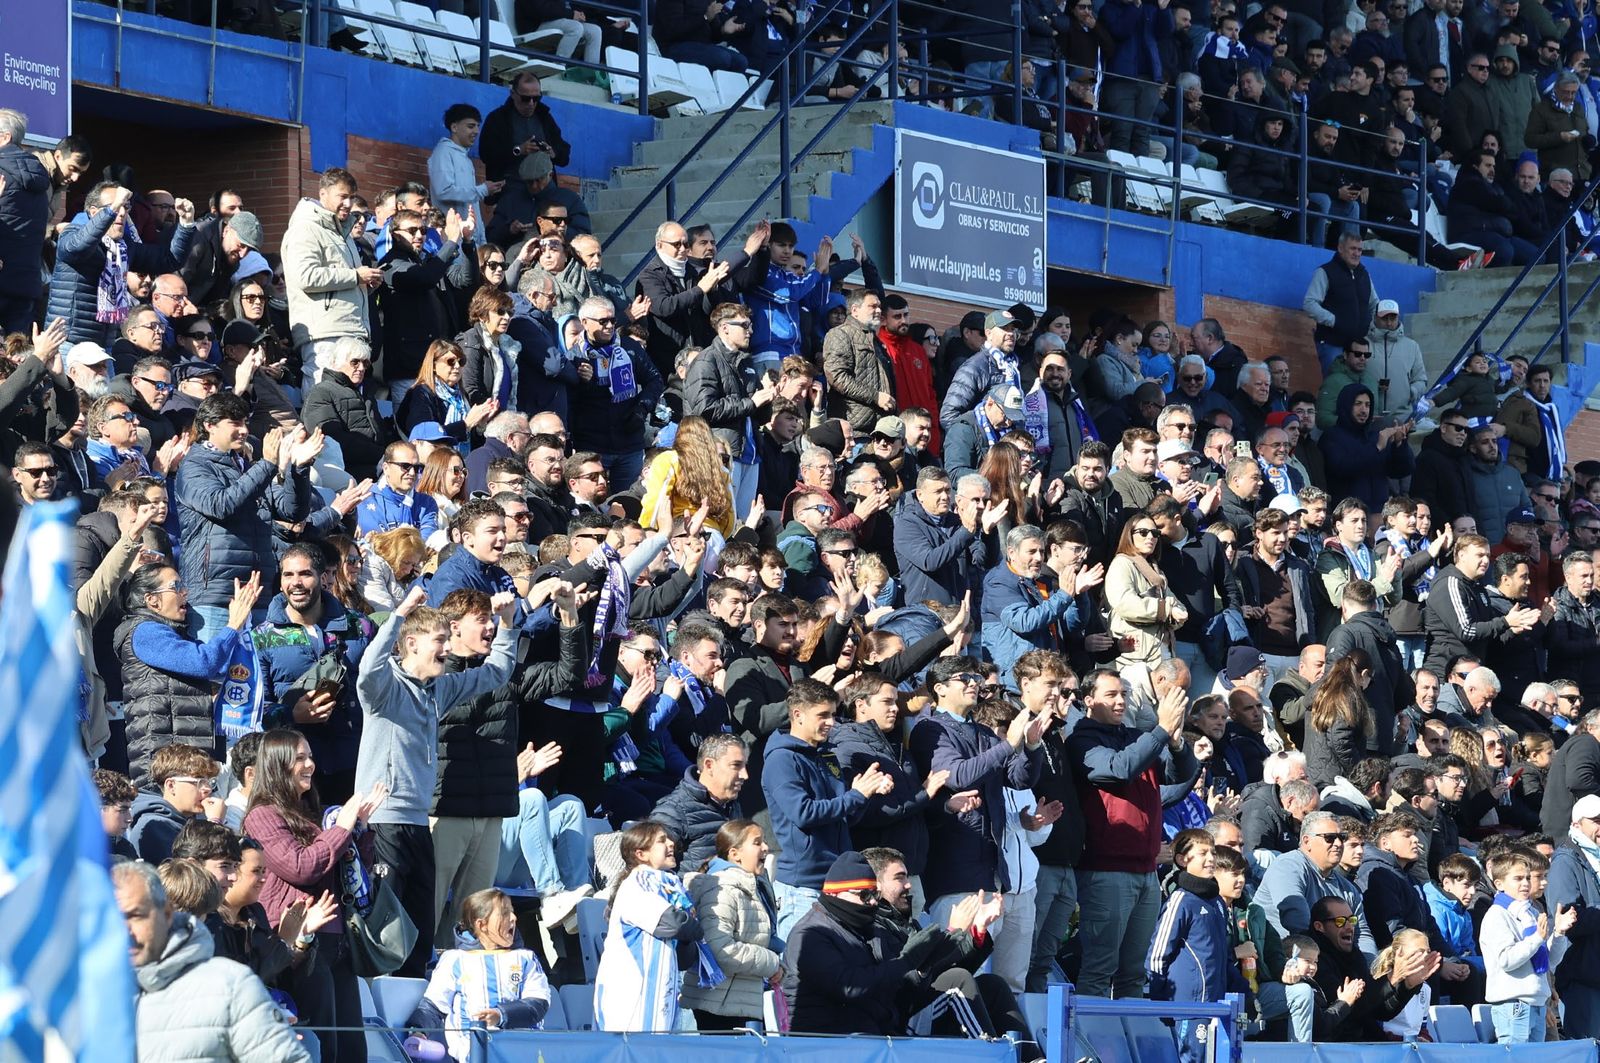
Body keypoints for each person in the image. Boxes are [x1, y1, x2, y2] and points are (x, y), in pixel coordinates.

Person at [352, 584, 518, 978]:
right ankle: (381, 1007)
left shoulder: (436, 690)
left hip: (417, 821)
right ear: (410, 643)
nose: (447, 648)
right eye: (439, 640)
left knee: (421, 923)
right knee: (386, 924)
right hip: (385, 820)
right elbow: (367, 669)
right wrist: (399, 613)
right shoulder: (385, 689)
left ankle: (415, 1008)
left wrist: (508, 625)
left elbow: (495, 672)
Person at [243, 728, 388, 1063]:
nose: (310, 764)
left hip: (336, 937)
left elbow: (349, 870)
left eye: (310, 756)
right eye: (299, 758)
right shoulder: (262, 816)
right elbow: (300, 867)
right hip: (300, 942)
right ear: (277, 764)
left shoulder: (309, 813)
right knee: (322, 1046)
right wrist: (341, 829)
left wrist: (360, 829)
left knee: (351, 1048)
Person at [1069, 668, 1199, 997]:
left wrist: (1176, 740)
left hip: (1146, 871)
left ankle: (1124, 1043)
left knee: (1133, 972)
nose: (1120, 701)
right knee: (1100, 968)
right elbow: (1118, 769)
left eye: (1123, 694)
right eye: (1110, 695)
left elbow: (1178, 774)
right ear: (1088, 700)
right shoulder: (1082, 740)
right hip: (1106, 870)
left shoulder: (1132, 736)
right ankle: (1089, 1044)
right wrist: (1158, 731)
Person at [113, 860, 313, 1063]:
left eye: (136, 915)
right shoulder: (91, 991)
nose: (124, 928)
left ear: (166, 914)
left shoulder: (230, 984)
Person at [176, 394, 319, 641]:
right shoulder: (195, 465)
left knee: (259, 677)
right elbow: (221, 505)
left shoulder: (246, 467)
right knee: (216, 675)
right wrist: (267, 464)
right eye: (235, 423)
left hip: (257, 594)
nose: (243, 430)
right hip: (216, 597)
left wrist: (298, 469)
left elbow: (292, 511)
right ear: (210, 425)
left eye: (245, 422)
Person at [763, 677, 889, 944]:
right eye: (822, 715)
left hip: (835, 884)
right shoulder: (781, 759)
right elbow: (803, 813)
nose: (831, 722)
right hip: (803, 887)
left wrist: (866, 793)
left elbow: (845, 816)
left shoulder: (827, 756)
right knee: (799, 975)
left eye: (832, 714)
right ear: (797, 714)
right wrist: (856, 795)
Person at [405, 887, 552, 1062]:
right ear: (481, 925)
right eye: (505, 913)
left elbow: (538, 1004)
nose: (514, 918)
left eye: (512, 911)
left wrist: (501, 1015)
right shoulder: (455, 960)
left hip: (525, 1055)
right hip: (472, 1056)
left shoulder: (526, 958)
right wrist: (419, 1031)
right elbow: (433, 1006)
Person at [49, 181, 197, 346]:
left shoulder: (123, 246)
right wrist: (111, 211)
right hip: (68, 341)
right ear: (93, 212)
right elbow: (78, 249)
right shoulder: (72, 233)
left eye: (125, 207)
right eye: (114, 206)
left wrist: (186, 224)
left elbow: (169, 259)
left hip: (104, 344)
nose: (121, 213)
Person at [594, 820, 706, 1031]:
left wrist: (690, 933)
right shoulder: (636, 885)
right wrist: (694, 927)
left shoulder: (667, 886)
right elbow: (674, 923)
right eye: (662, 840)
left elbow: (685, 958)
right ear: (641, 854)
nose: (671, 844)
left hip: (660, 998)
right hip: (631, 1001)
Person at [283, 168, 379, 390]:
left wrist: (366, 284)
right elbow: (305, 276)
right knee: (324, 403)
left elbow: (342, 282)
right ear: (323, 194)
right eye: (342, 196)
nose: (347, 203)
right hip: (324, 334)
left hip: (349, 328)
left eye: (351, 197)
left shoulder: (341, 232)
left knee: (349, 407)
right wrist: (356, 276)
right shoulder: (306, 227)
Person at [681, 819, 782, 1029]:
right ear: (734, 854)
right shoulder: (722, 890)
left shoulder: (752, 885)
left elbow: (759, 937)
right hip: (718, 1007)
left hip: (739, 1001)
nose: (765, 847)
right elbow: (722, 950)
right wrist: (772, 963)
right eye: (757, 842)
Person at [1481, 846, 1575, 1041]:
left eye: (1526, 878)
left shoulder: (1530, 914)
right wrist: (1536, 939)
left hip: (1537, 1003)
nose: (1525, 883)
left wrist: (1559, 932)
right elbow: (1506, 959)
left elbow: (1549, 962)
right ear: (1499, 883)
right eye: (1517, 879)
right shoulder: (1497, 915)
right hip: (1513, 1005)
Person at [1546, 793, 1600, 1038]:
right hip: (1581, 976)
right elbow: (1567, 918)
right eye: (1597, 820)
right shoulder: (1565, 861)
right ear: (1577, 824)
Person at [1303, 233, 1380, 372]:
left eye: (1359, 250)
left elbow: (1375, 304)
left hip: (1358, 347)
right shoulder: (1325, 272)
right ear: (1340, 248)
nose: (1356, 253)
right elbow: (1309, 304)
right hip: (1333, 344)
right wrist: (1334, 321)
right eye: (1352, 249)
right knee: (1336, 387)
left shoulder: (1364, 274)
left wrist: (1371, 327)